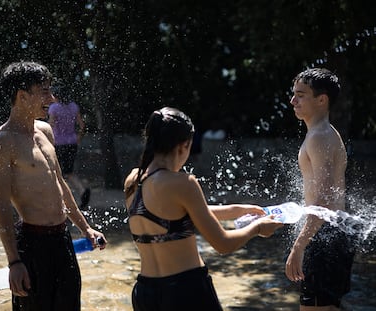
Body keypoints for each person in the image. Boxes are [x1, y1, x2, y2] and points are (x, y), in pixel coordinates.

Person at [123, 107, 283, 311]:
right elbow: (223, 244)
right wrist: (258, 228)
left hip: (145, 293)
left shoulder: (133, 180)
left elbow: (176, 215)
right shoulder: (184, 183)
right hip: (186, 292)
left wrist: (238, 210)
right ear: (184, 146)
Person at [0, 61, 107, 310]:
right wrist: (14, 262)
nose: (52, 98)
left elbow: (60, 185)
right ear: (22, 95)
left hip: (61, 239)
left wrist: (86, 229)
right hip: (31, 243)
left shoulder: (45, 131)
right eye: (44, 91)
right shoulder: (1, 143)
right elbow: (2, 207)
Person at [285, 68, 355, 310]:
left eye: (301, 95)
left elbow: (323, 200)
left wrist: (299, 245)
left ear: (321, 99)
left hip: (325, 237)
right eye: (293, 94)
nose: (293, 100)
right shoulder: (321, 133)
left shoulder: (320, 137)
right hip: (330, 234)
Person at [48, 85, 91, 209]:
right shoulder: (73, 107)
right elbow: (82, 126)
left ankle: (60, 199)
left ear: (56, 96)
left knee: (58, 172)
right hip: (72, 142)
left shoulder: (54, 108)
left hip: (58, 143)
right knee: (69, 172)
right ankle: (82, 191)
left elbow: (50, 125)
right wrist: (78, 138)